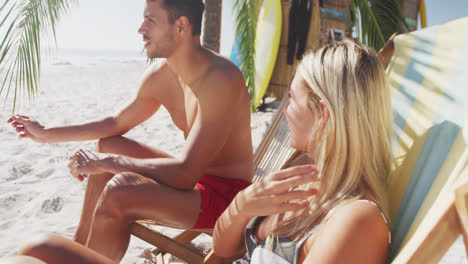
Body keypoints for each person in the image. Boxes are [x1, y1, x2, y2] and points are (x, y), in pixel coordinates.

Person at [7, 0, 253, 262]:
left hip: (226, 198)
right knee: (109, 144)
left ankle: (84, 256)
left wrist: (109, 164)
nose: (140, 29)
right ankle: (81, 249)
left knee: (119, 189)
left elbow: (185, 174)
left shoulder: (219, 79)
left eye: (150, 20)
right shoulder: (163, 75)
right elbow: (114, 123)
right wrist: (44, 133)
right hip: (196, 182)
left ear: (181, 25)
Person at [212, 39, 393, 263]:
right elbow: (221, 248)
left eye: (291, 98)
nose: (285, 111)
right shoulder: (304, 173)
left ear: (322, 114)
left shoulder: (357, 221)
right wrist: (241, 205)